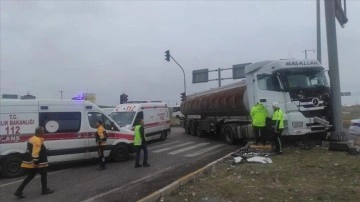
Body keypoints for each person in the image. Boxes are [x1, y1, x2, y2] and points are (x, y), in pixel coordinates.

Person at [14, 126, 54, 198]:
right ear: (40, 132)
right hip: (39, 162)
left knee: (30, 176)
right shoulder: (37, 140)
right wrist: (36, 162)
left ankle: (18, 191)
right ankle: (44, 190)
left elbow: (31, 149)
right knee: (44, 175)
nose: (43, 133)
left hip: (32, 161)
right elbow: (35, 152)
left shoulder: (32, 138)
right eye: (43, 131)